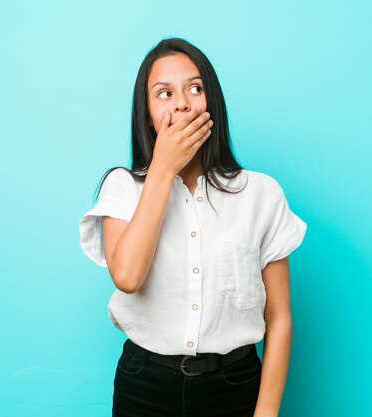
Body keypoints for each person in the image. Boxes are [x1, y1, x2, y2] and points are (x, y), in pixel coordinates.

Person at [79, 37, 307, 417]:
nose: (182, 103)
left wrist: (265, 414)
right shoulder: (122, 187)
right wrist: (163, 169)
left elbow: (279, 317)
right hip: (145, 387)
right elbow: (128, 277)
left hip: (235, 387)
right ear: (147, 113)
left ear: (211, 102)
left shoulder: (261, 194)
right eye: (164, 93)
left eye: (195, 88)